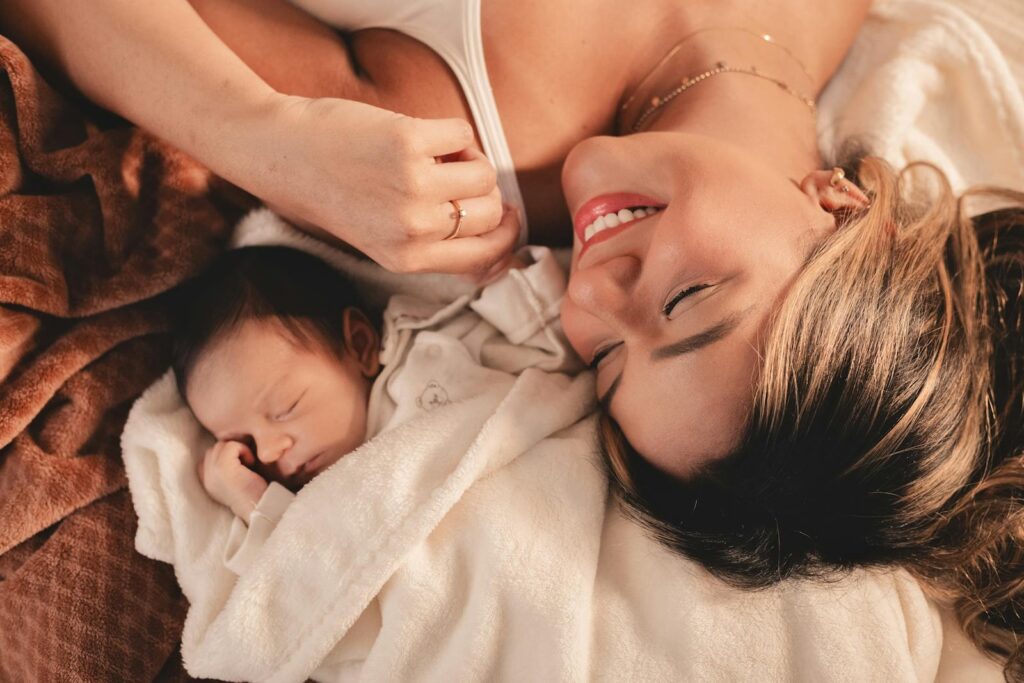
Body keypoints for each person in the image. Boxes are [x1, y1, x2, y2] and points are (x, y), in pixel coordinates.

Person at [4, 0, 1023, 676]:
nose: (599, 287)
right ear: (843, 205)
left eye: (608, 357)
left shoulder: (440, 135)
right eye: (688, 300)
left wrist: (263, 135)